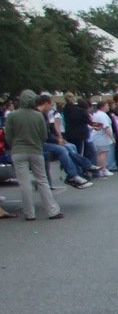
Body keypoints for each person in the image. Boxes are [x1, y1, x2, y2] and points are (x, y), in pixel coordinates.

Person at [4, 90, 64, 221]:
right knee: (42, 180)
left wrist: (14, 145)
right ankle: (52, 210)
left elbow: (8, 136)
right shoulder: (38, 116)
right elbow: (44, 135)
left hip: (18, 150)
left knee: (24, 182)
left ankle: (29, 213)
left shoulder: (12, 116)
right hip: (36, 150)